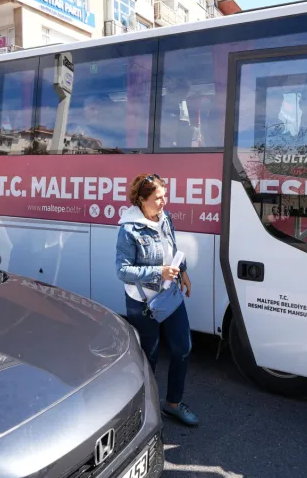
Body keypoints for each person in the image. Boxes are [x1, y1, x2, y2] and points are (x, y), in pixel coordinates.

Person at [115, 173, 198, 427]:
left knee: (182, 348)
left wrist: (182, 271)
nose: (164, 202)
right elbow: (122, 270)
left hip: (169, 296)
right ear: (141, 200)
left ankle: (172, 404)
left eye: (164, 196)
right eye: (158, 198)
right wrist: (158, 272)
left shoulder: (165, 217)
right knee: (148, 358)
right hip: (143, 304)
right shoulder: (129, 229)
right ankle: (145, 410)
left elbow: (171, 246)